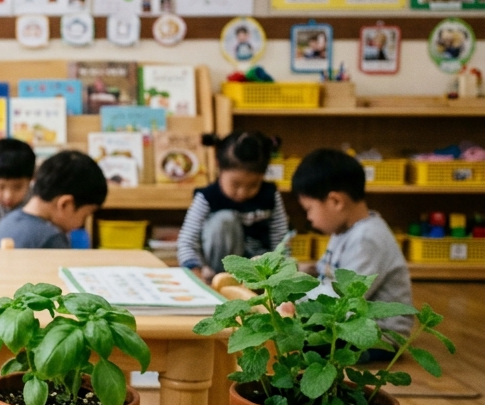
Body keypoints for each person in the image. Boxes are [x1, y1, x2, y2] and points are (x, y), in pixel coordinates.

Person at [291, 149, 413, 339]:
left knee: (292, 341)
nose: (309, 218)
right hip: (349, 322)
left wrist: (293, 299)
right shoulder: (343, 230)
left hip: (379, 334)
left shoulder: (367, 238)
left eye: (309, 209)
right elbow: (325, 272)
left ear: (336, 201)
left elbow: (343, 300)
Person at [177, 132, 289, 281]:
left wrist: (283, 272)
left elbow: (281, 239)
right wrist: (195, 271)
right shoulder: (207, 197)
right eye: (235, 184)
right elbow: (187, 241)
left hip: (256, 271)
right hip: (218, 271)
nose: (242, 193)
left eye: (253, 185)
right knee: (225, 220)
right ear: (218, 165)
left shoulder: (270, 195)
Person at [0, 151, 106, 248]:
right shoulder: (52, 239)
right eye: (84, 216)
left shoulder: (9, 220)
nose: (81, 225)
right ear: (65, 204)